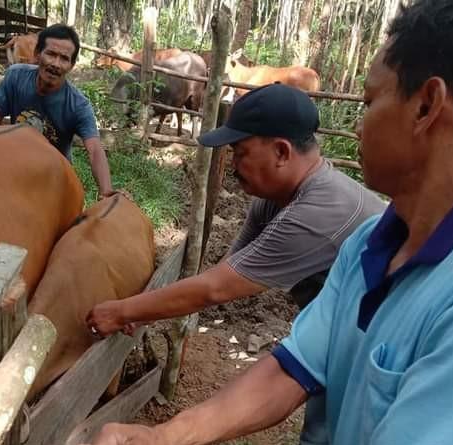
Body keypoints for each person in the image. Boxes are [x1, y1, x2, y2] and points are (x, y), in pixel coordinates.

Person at [81, 0, 453, 445]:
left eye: (370, 101)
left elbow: (216, 289)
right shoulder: (369, 243)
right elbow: (296, 366)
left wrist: (123, 310)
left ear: (426, 107)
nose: (357, 126)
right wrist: (164, 437)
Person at [85, 83, 385, 337]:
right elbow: (226, 270)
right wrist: (143, 312)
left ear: (281, 152)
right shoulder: (273, 198)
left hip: (388, 338)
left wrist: (121, 310)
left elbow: (216, 290)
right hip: (347, 325)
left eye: (240, 154)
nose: (232, 165)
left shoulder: (317, 212)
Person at [0, 24, 114, 198]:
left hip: (54, 178)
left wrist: (106, 191)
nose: (56, 64)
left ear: (71, 65)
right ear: (37, 54)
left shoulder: (78, 105)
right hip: (14, 166)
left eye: (64, 58)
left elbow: (94, 150)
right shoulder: (16, 77)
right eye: (51, 54)